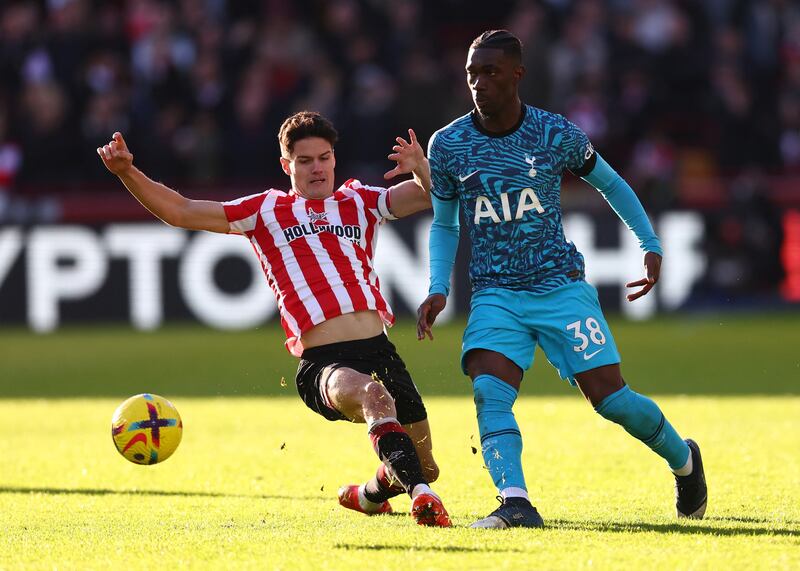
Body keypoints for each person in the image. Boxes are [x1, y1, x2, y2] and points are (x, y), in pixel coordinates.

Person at [98, 111, 451, 527]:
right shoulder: (266, 210)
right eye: (305, 161)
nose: (317, 168)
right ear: (287, 165)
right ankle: (424, 500)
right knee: (377, 400)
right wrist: (127, 172)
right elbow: (180, 210)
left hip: (380, 349)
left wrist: (422, 168)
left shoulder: (361, 201)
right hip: (325, 361)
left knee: (423, 464)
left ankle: (371, 495)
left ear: (334, 159)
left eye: (324, 157)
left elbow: (433, 195)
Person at [416, 30, 707, 529]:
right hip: (495, 293)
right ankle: (515, 502)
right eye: (471, 73)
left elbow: (611, 184)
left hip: (559, 286)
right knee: (489, 389)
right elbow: (445, 223)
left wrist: (650, 244)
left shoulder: (554, 134)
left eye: (490, 72)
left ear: (517, 74)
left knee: (611, 399)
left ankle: (685, 461)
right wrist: (438, 286)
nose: (479, 82)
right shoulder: (448, 144)